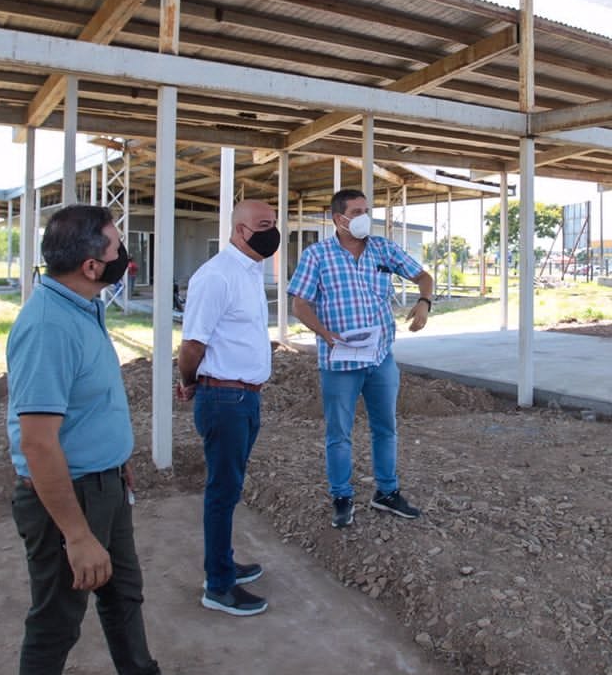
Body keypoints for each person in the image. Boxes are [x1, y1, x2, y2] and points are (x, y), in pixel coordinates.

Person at [5, 204, 206, 675]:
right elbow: (38, 443)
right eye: (118, 248)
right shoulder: (48, 326)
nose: (126, 257)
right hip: (67, 499)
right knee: (55, 621)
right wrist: (76, 535)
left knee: (122, 595)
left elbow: (84, 407)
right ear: (92, 266)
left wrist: (116, 462)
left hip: (104, 485)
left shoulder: (82, 306)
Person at [288, 188, 434, 529]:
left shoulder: (383, 249)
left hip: (380, 358)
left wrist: (424, 302)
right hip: (339, 362)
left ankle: (387, 492)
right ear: (338, 219)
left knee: (386, 428)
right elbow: (300, 304)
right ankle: (341, 496)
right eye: (357, 212)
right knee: (339, 433)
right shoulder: (317, 255)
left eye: (366, 210)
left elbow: (423, 276)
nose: (364, 217)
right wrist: (325, 334)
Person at [175, 200, 277, 617]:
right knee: (222, 491)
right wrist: (188, 381)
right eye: (263, 225)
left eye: (275, 224)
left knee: (230, 488)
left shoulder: (249, 272)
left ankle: (224, 563)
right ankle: (217, 585)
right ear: (239, 230)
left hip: (244, 397)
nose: (273, 232)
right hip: (225, 399)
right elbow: (191, 345)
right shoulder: (216, 276)